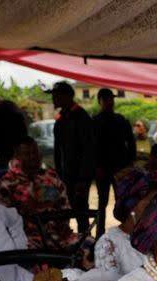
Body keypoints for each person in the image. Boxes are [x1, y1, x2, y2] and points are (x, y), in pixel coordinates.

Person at [0, 136, 78, 251]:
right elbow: (3, 219)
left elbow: (65, 205)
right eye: (27, 154)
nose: (33, 156)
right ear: (17, 156)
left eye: (35, 152)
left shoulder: (51, 176)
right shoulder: (6, 183)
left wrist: (64, 223)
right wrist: (21, 209)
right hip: (28, 239)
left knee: (89, 245)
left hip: (57, 234)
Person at [91, 168, 157, 281]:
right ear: (132, 207)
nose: (156, 209)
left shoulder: (154, 235)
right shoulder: (109, 244)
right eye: (149, 203)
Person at [49, 81, 95, 233]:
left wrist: (83, 179)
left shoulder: (81, 117)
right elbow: (58, 151)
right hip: (64, 176)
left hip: (78, 178)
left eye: (56, 96)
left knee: (81, 213)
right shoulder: (61, 119)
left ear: (67, 96)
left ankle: (85, 246)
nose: (53, 99)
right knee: (64, 211)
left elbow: (88, 150)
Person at [92, 89, 136, 237]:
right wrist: (96, 166)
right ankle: (100, 234)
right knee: (102, 203)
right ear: (100, 102)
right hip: (103, 169)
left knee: (122, 201)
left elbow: (131, 142)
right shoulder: (95, 122)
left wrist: (130, 163)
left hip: (120, 169)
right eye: (106, 100)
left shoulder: (121, 120)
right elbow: (92, 147)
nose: (110, 103)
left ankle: (125, 232)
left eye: (111, 100)